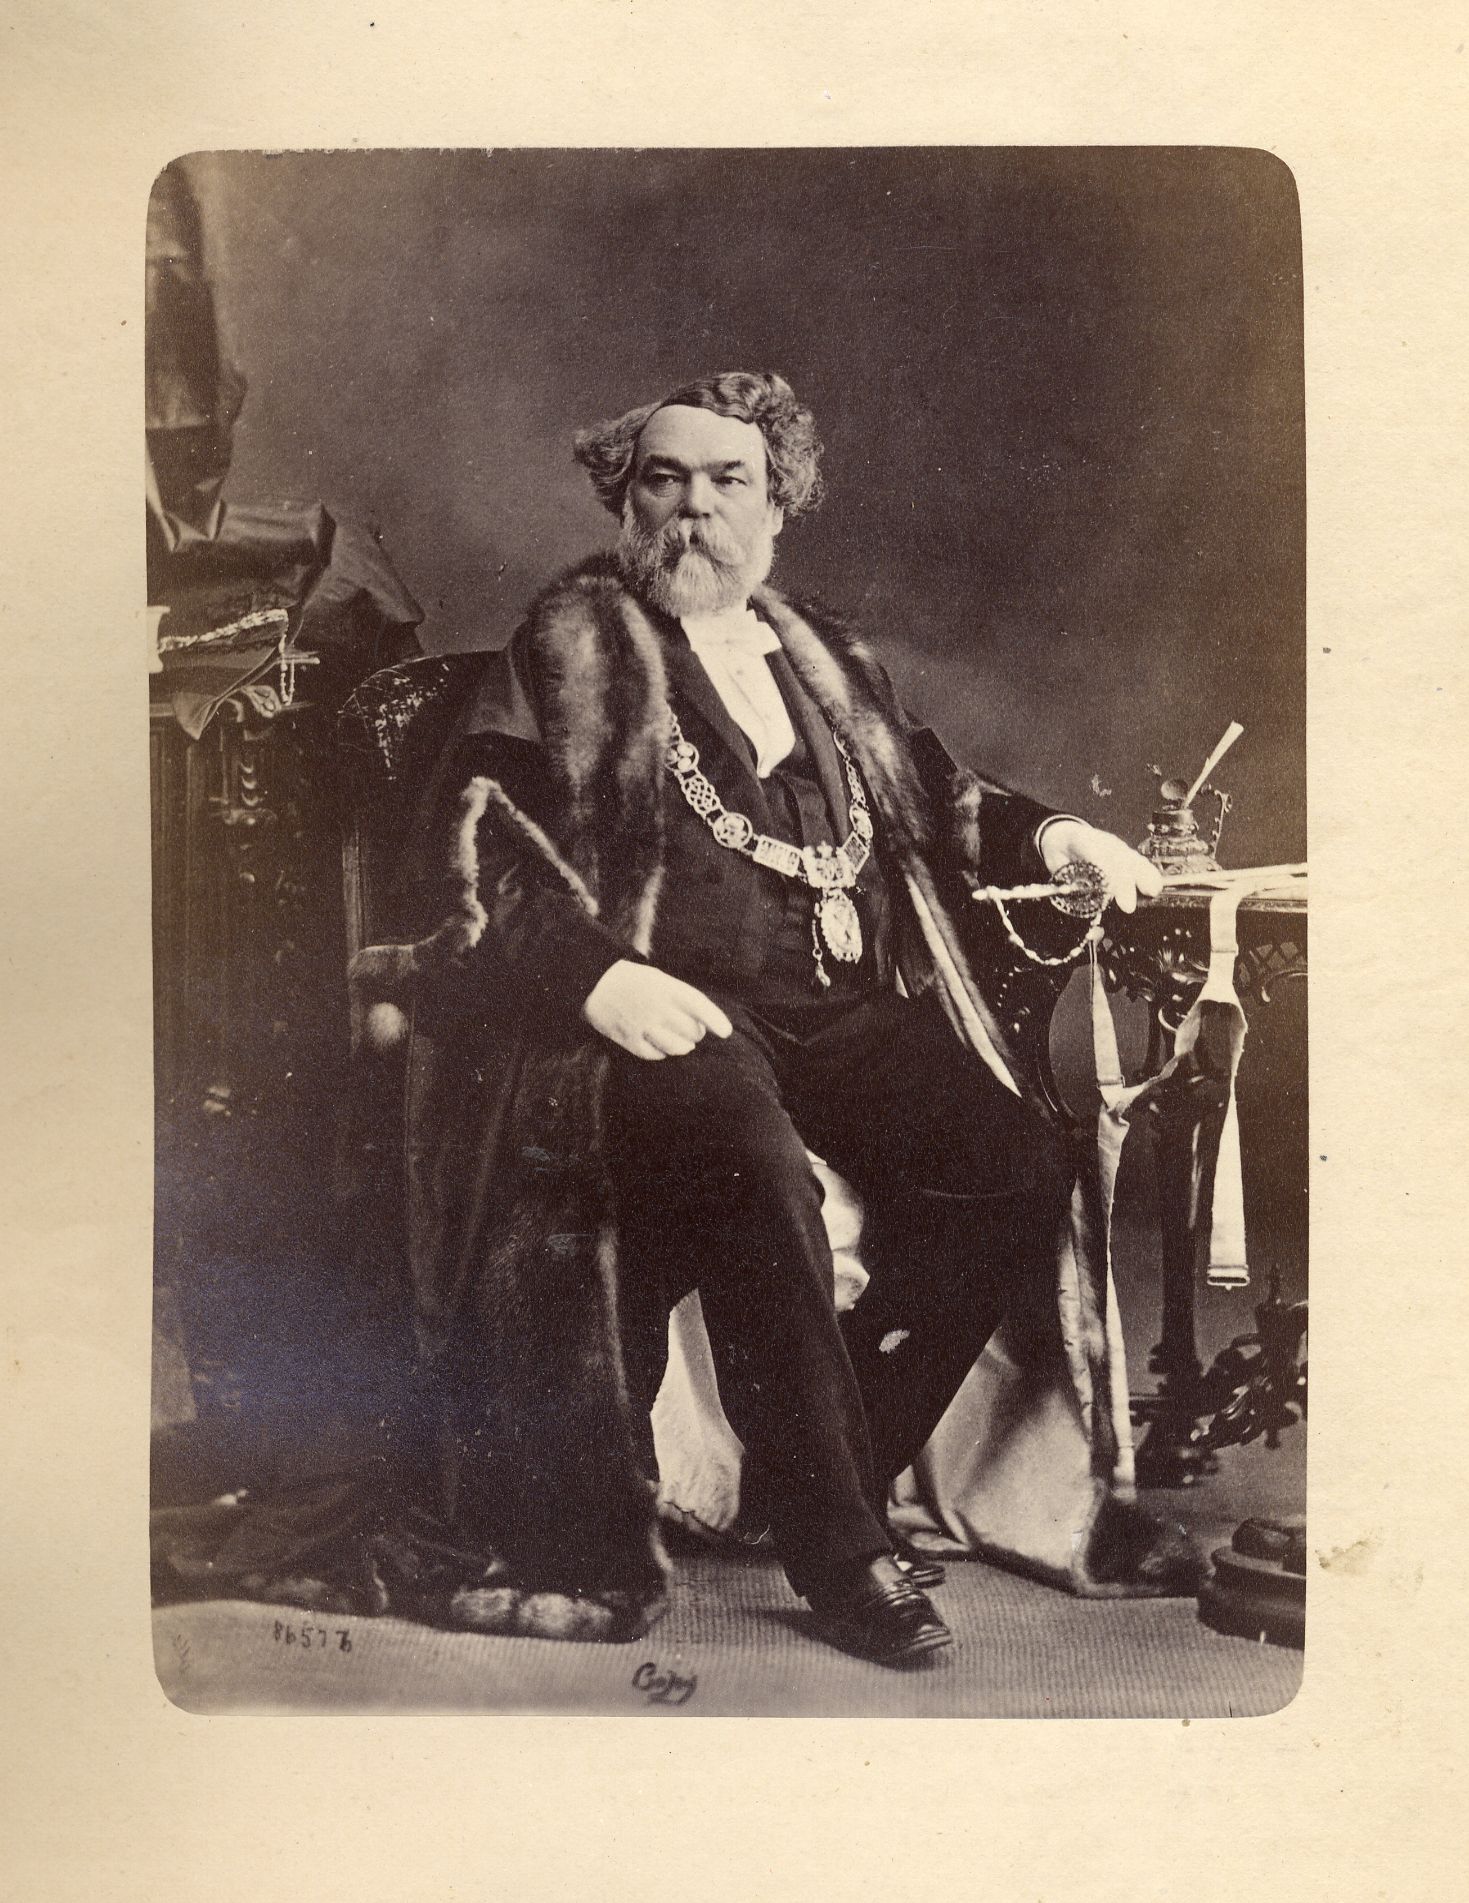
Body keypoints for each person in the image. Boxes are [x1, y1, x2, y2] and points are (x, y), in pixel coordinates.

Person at [154, 370, 1180, 1663]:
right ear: (625, 500)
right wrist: (595, 974)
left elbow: (934, 788)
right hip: (660, 1009)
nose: (695, 507)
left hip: (838, 1006)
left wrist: (1060, 835)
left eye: (727, 480)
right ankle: (839, 1550)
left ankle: (829, 1455)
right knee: (752, 1160)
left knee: (1012, 1163)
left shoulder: (823, 654)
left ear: (777, 504)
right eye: (665, 479)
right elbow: (474, 834)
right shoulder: (573, 642)